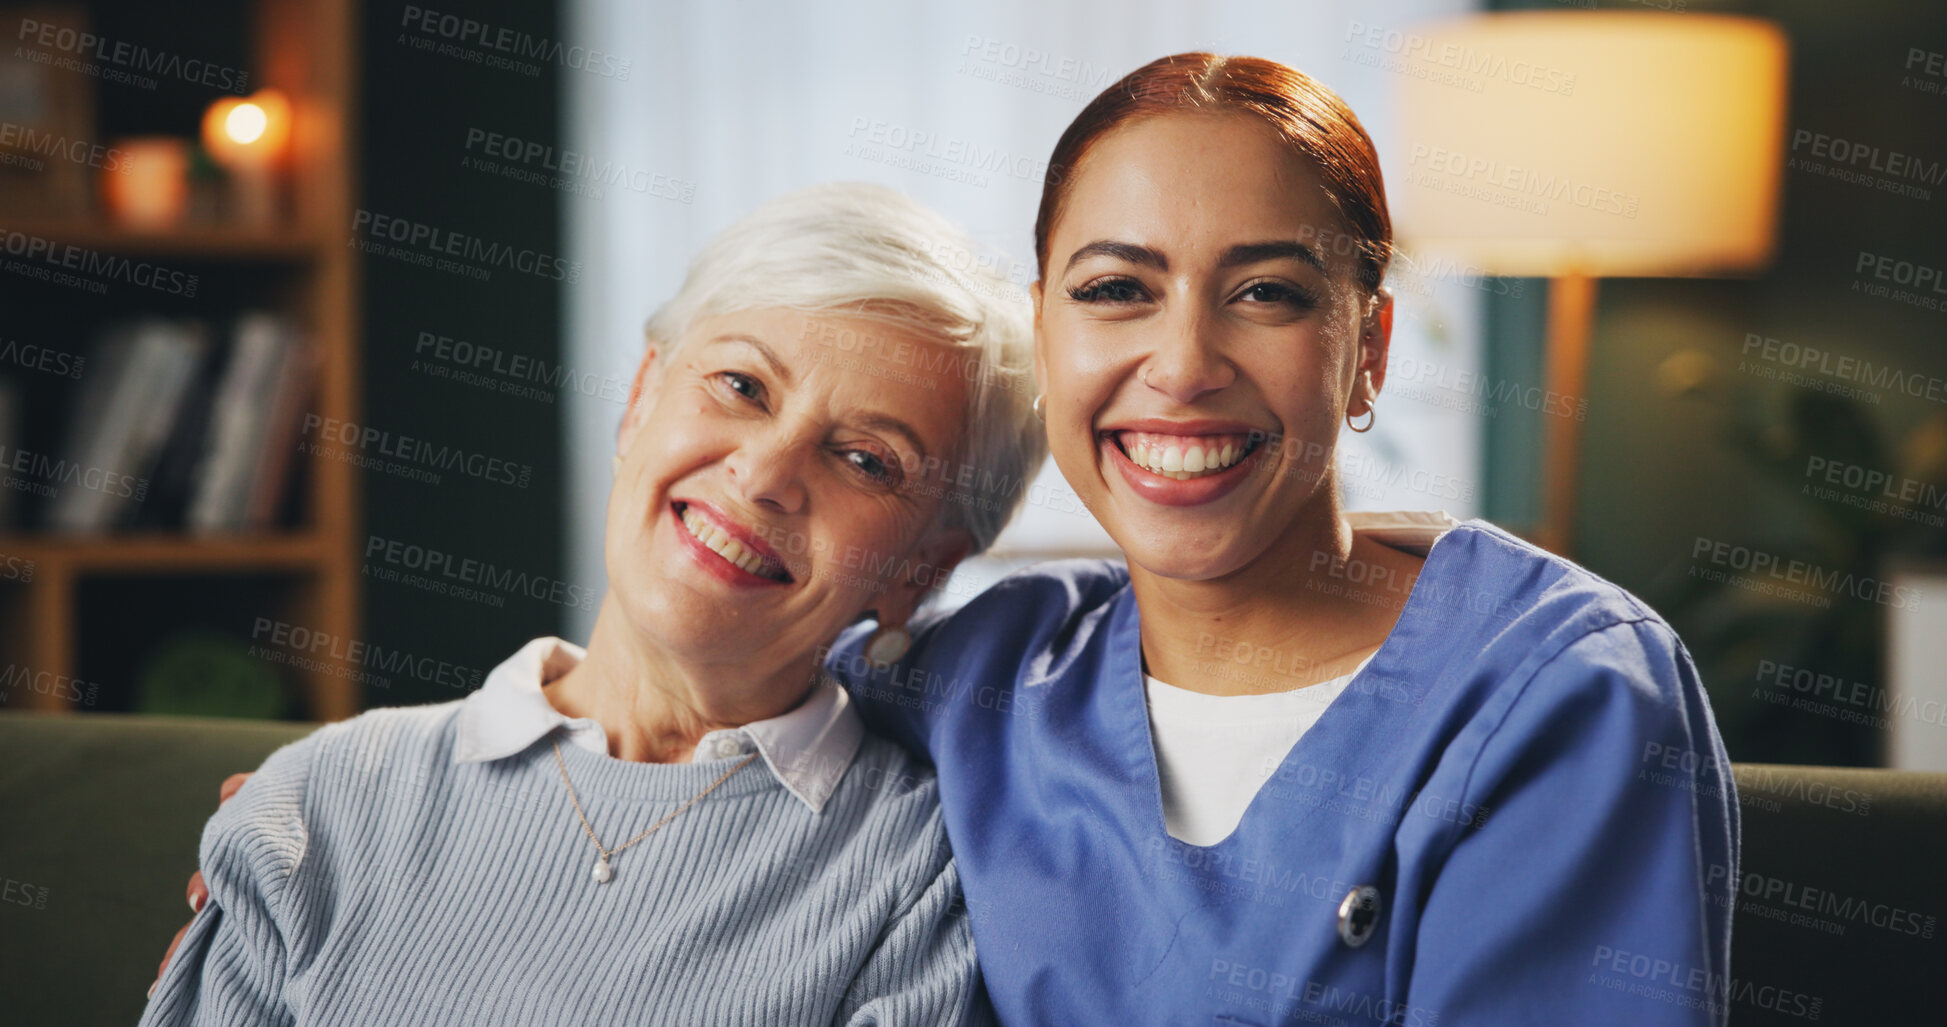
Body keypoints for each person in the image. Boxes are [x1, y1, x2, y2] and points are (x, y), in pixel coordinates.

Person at [164, 52, 1740, 1027]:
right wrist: (352, 797)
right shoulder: (996, 667)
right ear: (1052, 329)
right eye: (1116, 286)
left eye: (1266, 291)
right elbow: (715, 644)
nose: (1180, 361)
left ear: (1369, 344)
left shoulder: (1549, 694)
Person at [140, 181, 1045, 1026]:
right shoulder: (319, 796)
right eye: (741, 386)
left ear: (919, 572)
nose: (763, 474)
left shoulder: (923, 876)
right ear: (642, 398)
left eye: (865, 460)